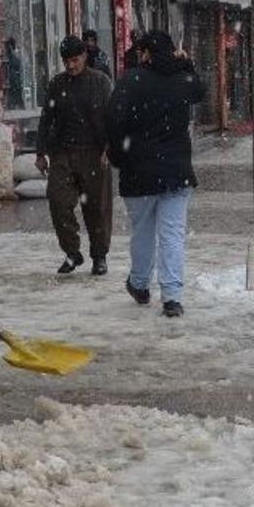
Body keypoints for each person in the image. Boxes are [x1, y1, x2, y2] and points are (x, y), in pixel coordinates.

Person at [106, 30, 204, 318]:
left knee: (143, 232)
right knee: (172, 233)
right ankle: (172, 297)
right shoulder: (182, 80)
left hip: (139, 172)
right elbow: (200, 91)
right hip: (176, 171)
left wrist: (118, 155)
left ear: (145, 53)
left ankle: (139, 284)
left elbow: (112, 119)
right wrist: (186, 64)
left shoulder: (131, 81)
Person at [36, 35, 114, 276]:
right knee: (58, 201)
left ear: (84, 57)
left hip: (94, 153)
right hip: (62, 153)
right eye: (66, 61)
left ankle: (99, 256)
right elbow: (46, 120)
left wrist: (110, 148)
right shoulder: (56, 84)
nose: (70, 65)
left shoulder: (100, 82)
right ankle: (72, 252)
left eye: (75, 60)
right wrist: (41, 152)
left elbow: (113, 118)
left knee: (97, 208)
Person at [4, 37, 25, 109]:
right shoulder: (15, 54)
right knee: (17, 97)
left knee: (14, 97)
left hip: (13, 79)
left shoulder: (12, 55)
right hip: (15, 79)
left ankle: (14, 106)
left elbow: (14, 64)